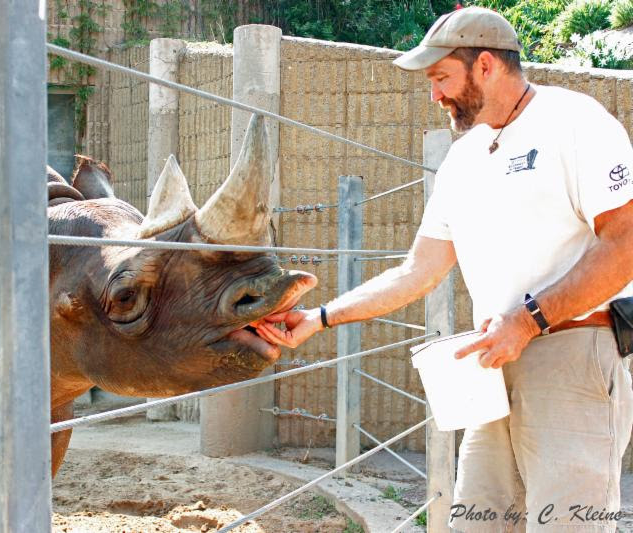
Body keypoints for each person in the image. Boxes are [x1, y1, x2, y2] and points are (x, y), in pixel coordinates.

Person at [257, 6, 633, 532]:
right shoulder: (463, 159)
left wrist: (527, 322)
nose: (434, 95)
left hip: (571, 358)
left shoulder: (576, 122)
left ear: (485, 66)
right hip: (492, 366)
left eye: (440, 78)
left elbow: (624, 245)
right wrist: (319, 318)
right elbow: (417, 270)